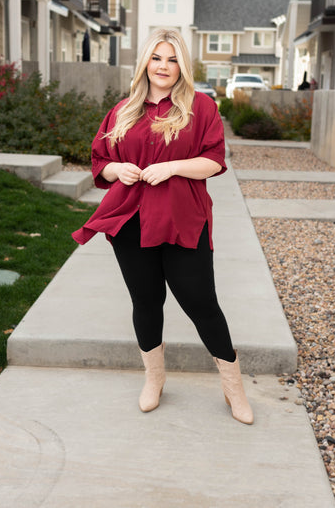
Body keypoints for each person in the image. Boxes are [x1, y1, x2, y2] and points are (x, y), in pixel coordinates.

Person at [72, 28, 253, 425]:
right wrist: (120, 168)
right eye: (157, 58)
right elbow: (102, 162)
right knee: (146, 302)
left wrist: (171, 167)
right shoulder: (123, 110)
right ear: (145, 63)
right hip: (131, 222)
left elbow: (214, 160)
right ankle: (154, 378)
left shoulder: (200, 107)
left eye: (172, 59)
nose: (164, 67)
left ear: (182, 65)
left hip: (182, 220)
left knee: (201, 303)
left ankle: (233, 386)